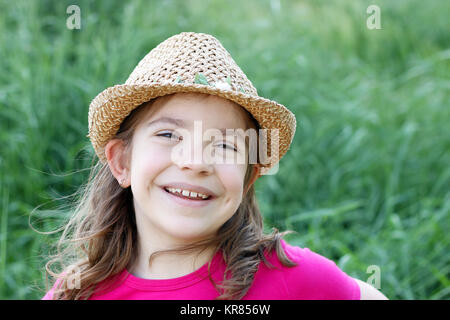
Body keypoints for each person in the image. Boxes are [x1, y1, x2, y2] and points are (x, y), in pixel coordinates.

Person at [42, 32, 387, 300]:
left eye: (225, 145)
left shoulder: (295, 279)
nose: (195, 162)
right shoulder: (77, 291)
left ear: (248, 176)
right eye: (168, 134)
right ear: (122, 161)